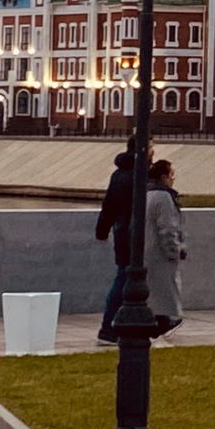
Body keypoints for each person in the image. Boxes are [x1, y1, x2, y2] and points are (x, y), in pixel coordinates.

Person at [93, 140, 151, 345]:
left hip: (121, 232)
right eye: (151, 146)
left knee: (124, 277)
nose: (152, 151)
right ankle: (110, 328)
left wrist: (102, 230)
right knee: (126, 279)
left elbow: (108, 205)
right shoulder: (138, 176)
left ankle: (113, 327)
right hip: (133, 235)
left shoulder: (118, 174)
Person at [146, 157, 185, 338]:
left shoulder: (147, 194)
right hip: (158, 253)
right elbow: (168, 228)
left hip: (147, 251)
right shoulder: (164, 197)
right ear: (164, 177)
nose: (173, 179)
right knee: (164, 290)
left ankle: (159, 324)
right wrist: (174, 250)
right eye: (171, 175)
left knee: (156, 292)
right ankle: (162, 325)